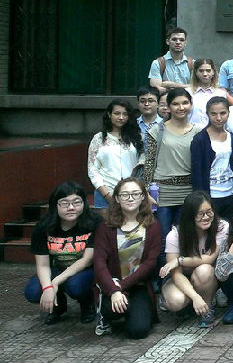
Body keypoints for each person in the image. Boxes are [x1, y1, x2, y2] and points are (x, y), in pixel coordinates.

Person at [92, 178, 161, 338]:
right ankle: (106, 314)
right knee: (112, 310)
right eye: (125, 195)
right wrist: (114, 289)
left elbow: (150, 263)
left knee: (138, 331)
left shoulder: (153, 226)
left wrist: (121, 286)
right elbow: (99, 262)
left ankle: (133, 312)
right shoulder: (105, 227)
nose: (130, 198)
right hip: (111, 284)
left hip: (138, 285)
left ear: (142, 197)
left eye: (135, 194)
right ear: (117, 198)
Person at [25, 182, 100, 325]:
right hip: (57, 268)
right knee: (33, 292)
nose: (71, 207)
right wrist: (48, 288)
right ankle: (58, 305)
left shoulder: (95, 222)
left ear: (84, 203)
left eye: (76, 202)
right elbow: (42, 264)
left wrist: (56, 282)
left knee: (76, 286)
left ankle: (87, 303)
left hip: (86, 270)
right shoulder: (43, 227)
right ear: (56, 205)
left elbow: (87, 260)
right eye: (65, 203)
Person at [159, 191, 229, 328]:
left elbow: (209, 258)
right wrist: (195, 297)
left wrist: (179, 260)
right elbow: (176, 274)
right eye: (200, 214)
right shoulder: (175, 235)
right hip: (180, 278)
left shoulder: (221, 226)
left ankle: (206, 309)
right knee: (176, 301)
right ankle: (189, 303)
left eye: (209, 212)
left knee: (204, 270)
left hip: (206, 276)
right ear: (190, 215)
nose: (206, 217)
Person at [143, 88, 202, 240]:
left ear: (191, 105)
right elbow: (149, 162)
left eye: (185, 103)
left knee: (184, 238)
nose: (181, 107)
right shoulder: (156, 130)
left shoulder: (199, 131)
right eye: (175, 104)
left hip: (188, 192)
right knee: (163, 238)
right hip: (162, 193)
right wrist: (145, 191)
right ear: (168, 107)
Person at [88, 99, 142, 212]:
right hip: (105, 191)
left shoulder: (136, 137)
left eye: (125, 114)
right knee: (106, 223)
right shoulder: (99, 138)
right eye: (117, 113)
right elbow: (92, 169)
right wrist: (106, 194)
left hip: (131, 193)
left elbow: (141, 164)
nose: (121, 117)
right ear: (109, 114)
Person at [190, 97, 233, 223]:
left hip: (230, 193)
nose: (219, 118)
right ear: (207, 114)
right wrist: (202, 199)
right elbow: (197, 172)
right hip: (210, 194)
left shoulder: (231, 136)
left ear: (228, 113)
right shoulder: (200, 139)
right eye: (214, 114)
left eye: (223, 113)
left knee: (228, 229)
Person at [148, 27, 192, 96]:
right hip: (166, 101)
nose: (178, 42)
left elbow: (197, 88)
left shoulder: (193, 64)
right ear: (167, 42)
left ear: (185, 43)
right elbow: (156, 90)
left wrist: (168, 85)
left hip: (186, 101)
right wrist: (186, 86)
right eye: (174, 39)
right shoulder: (158, 63)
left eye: (181, 40)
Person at [188, 59, 232, 127]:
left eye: (208, 71)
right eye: (201, 71)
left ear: (213, 72)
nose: (205, 74)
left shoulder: (221, 94)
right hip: (193, 131)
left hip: (215, 130)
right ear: (196, 72)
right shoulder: (188, 93)